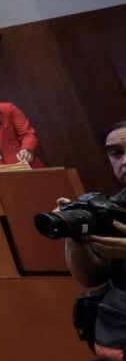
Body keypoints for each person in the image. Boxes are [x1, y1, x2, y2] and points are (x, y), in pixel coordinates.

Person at [61, 122, 126, 288]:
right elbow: (92, 278)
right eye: (117, 154)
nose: (124, 161)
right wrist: (75, 232)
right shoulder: (114, 207)